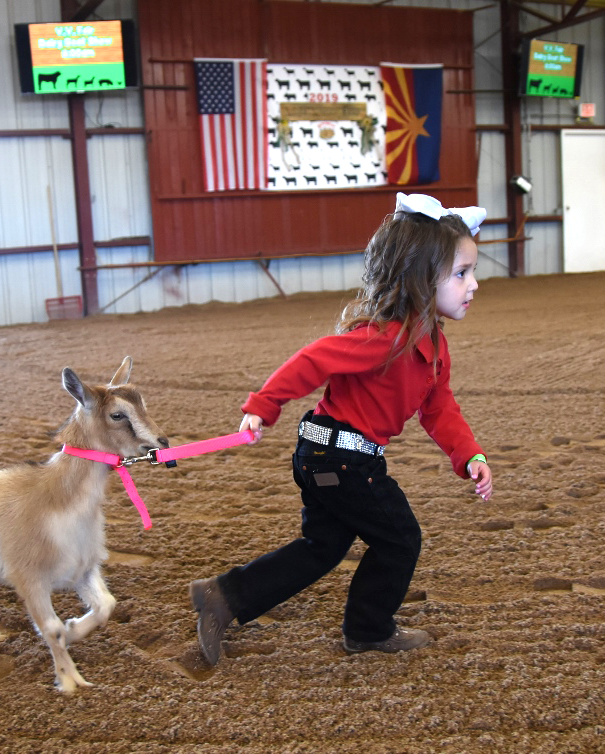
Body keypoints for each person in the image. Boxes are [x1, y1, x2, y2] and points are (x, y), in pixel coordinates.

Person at [189, 192, 493, 665]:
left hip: (328, 456)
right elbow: (314, 359)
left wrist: (468, 454)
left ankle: (222, 596)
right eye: (461, 273)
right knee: (400, 538)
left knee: (323, 546)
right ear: (418, 277)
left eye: (472, 271)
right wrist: (263, 405)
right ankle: (369, 630)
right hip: (343, 461)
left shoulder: (430, 343)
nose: (473, 284)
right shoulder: (386, 338)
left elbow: (438, 407)